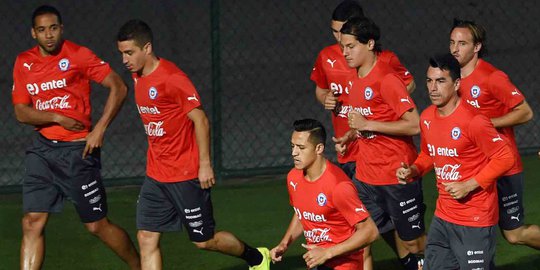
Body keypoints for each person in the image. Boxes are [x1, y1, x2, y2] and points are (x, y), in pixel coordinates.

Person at [116, 20, 270, 270]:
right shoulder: (136, 76)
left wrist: (205, 165)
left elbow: (201, 119)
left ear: (147, 48)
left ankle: (256, 257)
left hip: (186, 175)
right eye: (121, 53)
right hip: (156, 175)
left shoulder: (173, 78)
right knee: (146, 237)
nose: (124, 59)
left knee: (204, 241)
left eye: (129, 52)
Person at [10, 5, 140, 270]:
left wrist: (100, 128)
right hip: (43, 152)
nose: (49, 35)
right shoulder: (24, 62)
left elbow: (119, 86)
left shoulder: (78, 55)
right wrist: (56, 118)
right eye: (42, 30)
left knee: (96, 225)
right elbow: (21, 112)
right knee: (32, 221)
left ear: (62, 29)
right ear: (33, 33)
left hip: (77, 153)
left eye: (54, 28)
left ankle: (142, 266)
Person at [310, 1, 417, 268]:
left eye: (344, 36)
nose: (338, 41)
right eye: (335, 33)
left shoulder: (383, 64)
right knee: (368, 225)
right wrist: (328, 101)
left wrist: (377, 113)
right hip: (353, 154)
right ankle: (410, 261)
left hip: (389, 160)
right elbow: (321, 89)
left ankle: (421, 259)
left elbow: (407, 92)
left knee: (403, 233)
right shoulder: (331, 59)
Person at [396, 53, 515, 269]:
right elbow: (428, 154)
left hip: (475, 219)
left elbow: (505, 157)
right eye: (429, 80)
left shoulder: (474, 121)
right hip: (444, 216)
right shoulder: (427, 118)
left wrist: (468, 185)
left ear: (457, 83)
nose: (433, 88)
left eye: (441, 81)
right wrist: (414, 170)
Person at [335, 17, 427, 269]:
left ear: (370, 43)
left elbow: (414, 124)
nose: (345, 52)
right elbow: (367, 118)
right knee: (359, 236)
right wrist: (350, 136)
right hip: (366, 177)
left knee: (414, 243)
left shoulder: (386, 79)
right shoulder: (353, 80)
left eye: (351, 46)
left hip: (396, 176)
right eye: (343, 46)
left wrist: (367, 125)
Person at [449, 19, 540, 249]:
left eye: (462, 43)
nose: (455, 49)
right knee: (465, 224)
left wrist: (486, 123)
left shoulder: (492, 77)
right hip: (473, 166)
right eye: (452, 42)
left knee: (514, 234)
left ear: (477, 47)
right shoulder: (451, 80)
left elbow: (525, 112)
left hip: (503, 165)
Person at [270, 119, 378, 269]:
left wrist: (327, 253)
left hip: (343, 264)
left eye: (301, 148)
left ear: (319, 148)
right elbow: (302, 212)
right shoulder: (293, 177)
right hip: (317, 260)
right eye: (292, 146)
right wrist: (284, 243)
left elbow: (370, 231)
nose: (294, 153)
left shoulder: (338, 186)